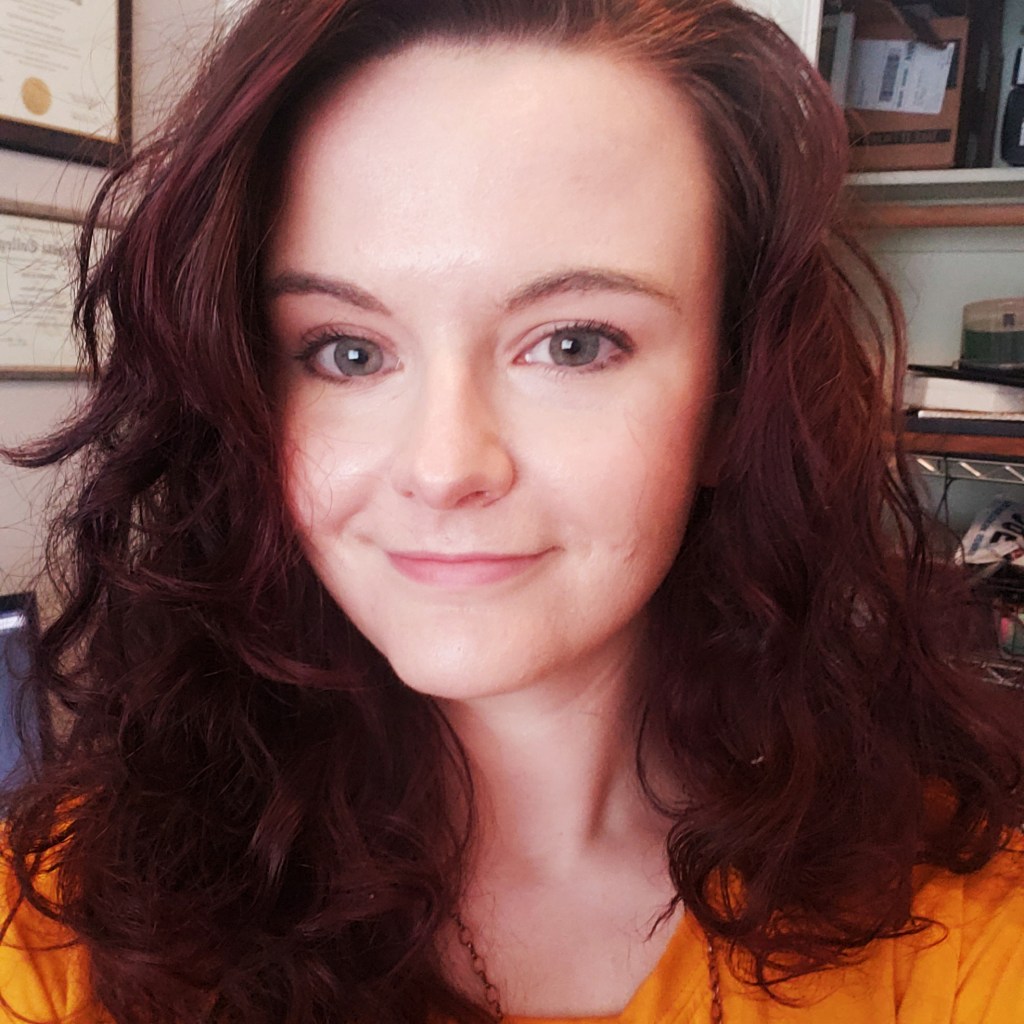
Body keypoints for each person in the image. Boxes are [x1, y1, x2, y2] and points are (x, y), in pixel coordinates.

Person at [2, 0, 1023, 1021]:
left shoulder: (960, 930)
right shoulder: (55, 925)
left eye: (574, 344)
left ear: (733, 396)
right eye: (347, 352)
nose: (444, 467)